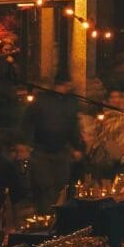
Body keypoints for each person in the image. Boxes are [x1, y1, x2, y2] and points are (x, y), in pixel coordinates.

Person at [25, 78, 84, 212]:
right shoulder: (41, 101)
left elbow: (72, 126)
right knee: (46, 186)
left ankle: (56, 216)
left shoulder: (69, 103)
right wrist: (27, 144)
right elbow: (28, 122)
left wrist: (76, 147)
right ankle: (47, 216)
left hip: (60, 150)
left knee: (60, 186)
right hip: (42, 150)